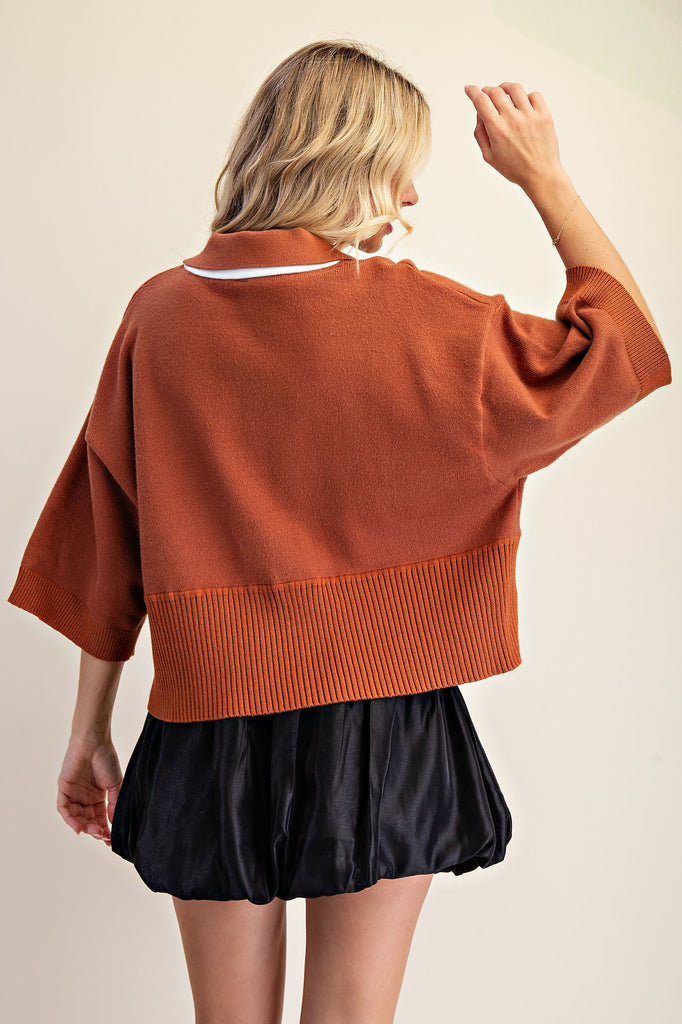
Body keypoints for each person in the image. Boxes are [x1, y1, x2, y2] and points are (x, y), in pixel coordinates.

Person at [7, 39, 671, 1024]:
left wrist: (88, 733)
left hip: (209, 719)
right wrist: (544, 177)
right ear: (348, 160)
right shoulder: (421, 318)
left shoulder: (160, 317)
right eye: (402, 168)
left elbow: (107, 540)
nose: (410, 197)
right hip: (385, 715)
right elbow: (623, 349)